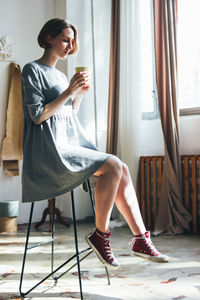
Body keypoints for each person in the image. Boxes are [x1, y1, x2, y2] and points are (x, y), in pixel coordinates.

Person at [21, 18, 169, 270]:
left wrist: (77, 96)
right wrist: (68, 92)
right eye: (65, 39)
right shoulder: (31, 70)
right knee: (113, 164)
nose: (70, 45)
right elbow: (38, 116)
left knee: (120, 167)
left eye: (72, 41)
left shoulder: (60, 75)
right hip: (49, 151)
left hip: (67, 143)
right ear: (48, 38)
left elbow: (66, 116)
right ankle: (102, 237)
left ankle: (140, 239)